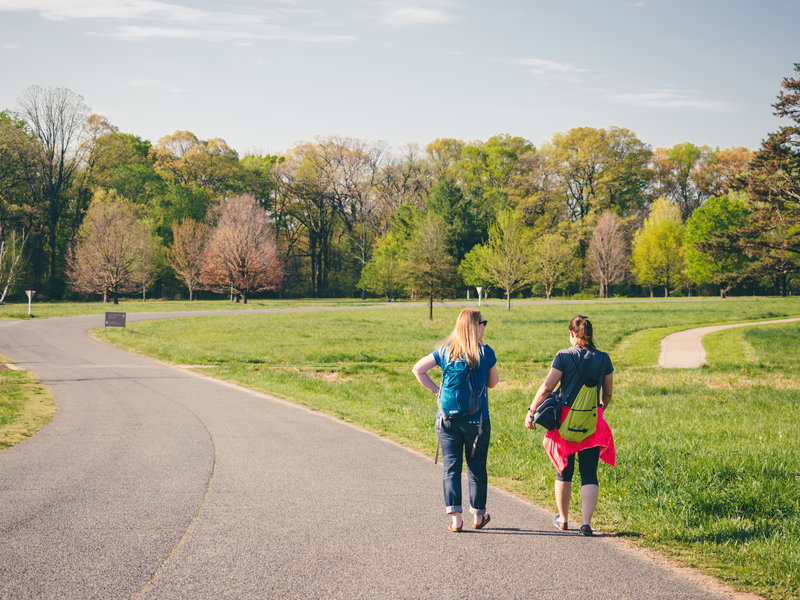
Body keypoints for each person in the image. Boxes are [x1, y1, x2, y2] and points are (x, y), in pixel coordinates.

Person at [524, 314, 615, 536]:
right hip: (592, 422)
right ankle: (585, 523)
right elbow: (608, 393)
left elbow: (547, 388)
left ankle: (563, 520)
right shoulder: (603, 358)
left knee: (564, 470)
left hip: (564, 420)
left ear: (572, 334)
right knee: (589, 473)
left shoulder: (563, 356)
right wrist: (599, 408)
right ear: (591, 335)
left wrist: (531, 411)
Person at [413, 308, 499, 532]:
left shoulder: (445, 351)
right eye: (483, 322)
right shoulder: (486, 352)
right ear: (474, 326)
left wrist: (437, 390)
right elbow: (493, 383)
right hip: (477, 421)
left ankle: (456, 520)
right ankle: (479, 517)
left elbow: (418, 370)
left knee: (451, 468)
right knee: (476, 467)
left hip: (447, 420)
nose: (484, 326)